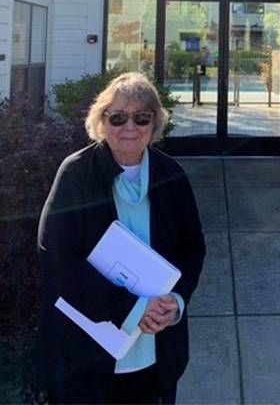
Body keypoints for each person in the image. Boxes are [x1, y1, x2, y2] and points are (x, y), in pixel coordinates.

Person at [37, 72, 206, 405]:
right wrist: (129, 308)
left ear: (154, 123)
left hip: (155, 345)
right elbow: (55, 256)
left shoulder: (171, 175)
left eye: (141, 117)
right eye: (118, 117)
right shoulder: (76, 174)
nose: (129, 127)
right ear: (102, 121)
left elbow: (192, 247)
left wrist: (177, 302)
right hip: (88, 351)